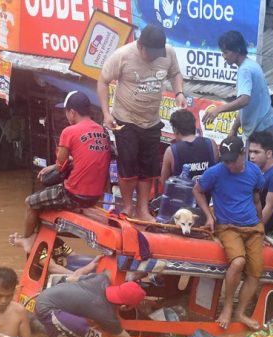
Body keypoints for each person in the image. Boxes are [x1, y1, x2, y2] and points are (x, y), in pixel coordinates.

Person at [97, 24, 186, 222]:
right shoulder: (122, 56)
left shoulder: (168, 54)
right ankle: (128, 206)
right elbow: (102, 81)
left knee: (148, 167)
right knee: (128, 164)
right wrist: (106, 113)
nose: (154, 58)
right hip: (125, 119)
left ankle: (143, 209)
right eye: (150, 54)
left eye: (157, 54)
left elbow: (175, 74)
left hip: (151, 121)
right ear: (140, 46)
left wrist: (179, 92)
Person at [19, 91, 111, 244]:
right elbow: (86, 159)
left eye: (66, 112)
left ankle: (26, 240)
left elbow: (60, 166)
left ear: (72, 112)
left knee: (30, 202)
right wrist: (56, 165)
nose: (66, 116)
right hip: (95, 196)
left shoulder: (69, 132)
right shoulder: (102, 132)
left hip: (73, 195)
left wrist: (56, 166)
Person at [193, 136, 265, 330]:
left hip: (253, 227)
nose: (229, 164)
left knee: (255, 273)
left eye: (233, 160)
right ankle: (227, 307)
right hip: (228, 227)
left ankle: (240, 313)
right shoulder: (215, 173)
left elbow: (256, 199)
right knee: (238, 261)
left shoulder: (255, 172)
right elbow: (197, 190)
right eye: (225, 160)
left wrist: (262, 225)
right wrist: (208, 216)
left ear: (243, 153)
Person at [35, 272, 156, 337]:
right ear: (124, 307)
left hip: (46, 295)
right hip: (45, 310)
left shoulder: (102, 278)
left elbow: (73, 278)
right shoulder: (106, 314)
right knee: (82, 326)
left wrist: (92, 264)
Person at [201, 31, 273, 139]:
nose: (223, 56)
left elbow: (244, 100)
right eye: (222, 52)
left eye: (226, 52)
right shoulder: (250, 65)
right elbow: (244, 106)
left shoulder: (245, 70)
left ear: (237, 51)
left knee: (262, 155)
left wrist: (218, 109)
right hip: (265, 124)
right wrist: (234, 128)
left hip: (262, 128)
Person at [160, 108, 219, 186]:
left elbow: (164, 182)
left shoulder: (171, 151)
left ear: (175, 129)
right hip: (207, 196)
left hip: (181, 196)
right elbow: (216, 174)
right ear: (193, 126)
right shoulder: (211, 143)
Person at [248, 131, 273, 232]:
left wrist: (254, 232)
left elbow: (269, 208)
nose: (251, 156)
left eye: (256, 152)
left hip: (258, 226)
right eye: (250, 151)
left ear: (269, 153)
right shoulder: (256, 169)